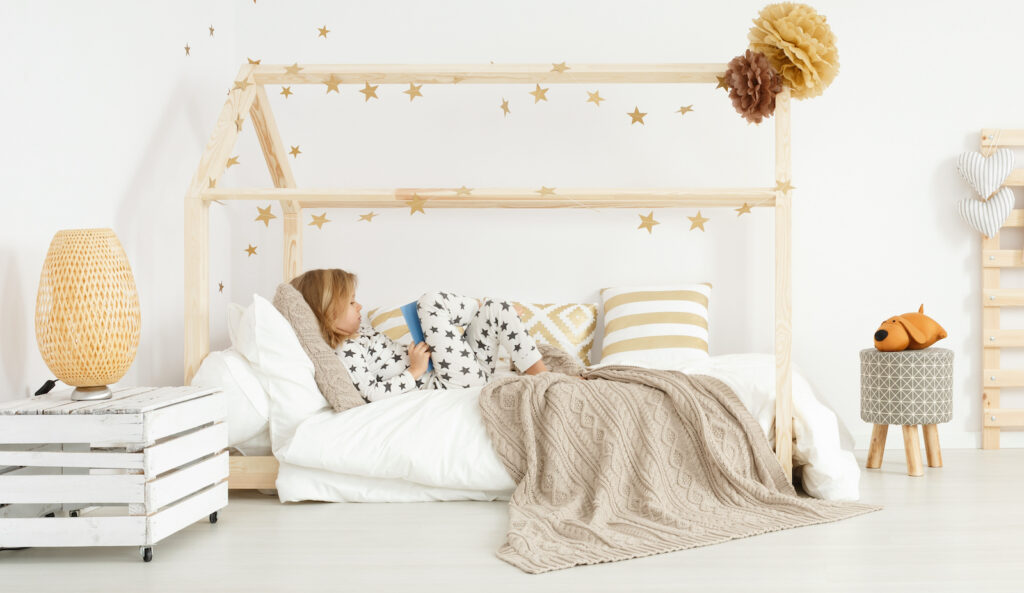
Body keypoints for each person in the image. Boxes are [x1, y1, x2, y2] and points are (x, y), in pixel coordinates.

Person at [291, 268, 565, 403]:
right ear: (328, 314)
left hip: (461, 373)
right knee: (429, 301)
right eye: (351, 303)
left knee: (498, 307)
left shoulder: (361, 333)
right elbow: (371, 393)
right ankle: (475, 309)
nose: (360, 306)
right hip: (447, 384)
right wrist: (414, 371)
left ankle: (541, 373)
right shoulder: (346, 351)